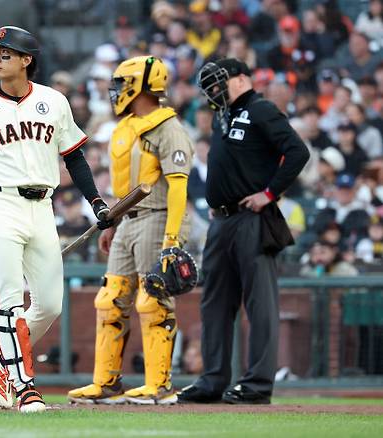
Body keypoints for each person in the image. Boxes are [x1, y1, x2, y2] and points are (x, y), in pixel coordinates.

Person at [0, 26, 110, 413]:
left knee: (50, 304)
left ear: (26, 60)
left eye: (5, 52)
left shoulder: (53, 101)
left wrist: (97, 201)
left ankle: (0, 357)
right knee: (9, 303)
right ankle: (24, 387)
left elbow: (75, 158)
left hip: (41, 207)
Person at [178, 59, 309, 405]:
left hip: (252, 218)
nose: (213, 91)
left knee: (259, 303)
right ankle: (212, 380)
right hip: (220, 221)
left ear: (240, 79)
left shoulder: (261, 108)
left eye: (219, 82)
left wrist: (269, 193)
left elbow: (297, 151)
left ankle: (257, 385)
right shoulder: (224, 115)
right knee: (214, 303)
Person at [68, 56, 194, 405]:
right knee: (110, 301)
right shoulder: (126, 127)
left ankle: (160, 386)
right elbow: (128, 187)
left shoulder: (168, 128)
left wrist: (172, 240)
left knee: (152, 300)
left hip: (157, 215)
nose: (117, 92)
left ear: (141, 85)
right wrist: (115, 222)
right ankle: (106, 383)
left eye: (123, 85)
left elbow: (179, 187)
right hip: (128, 219)